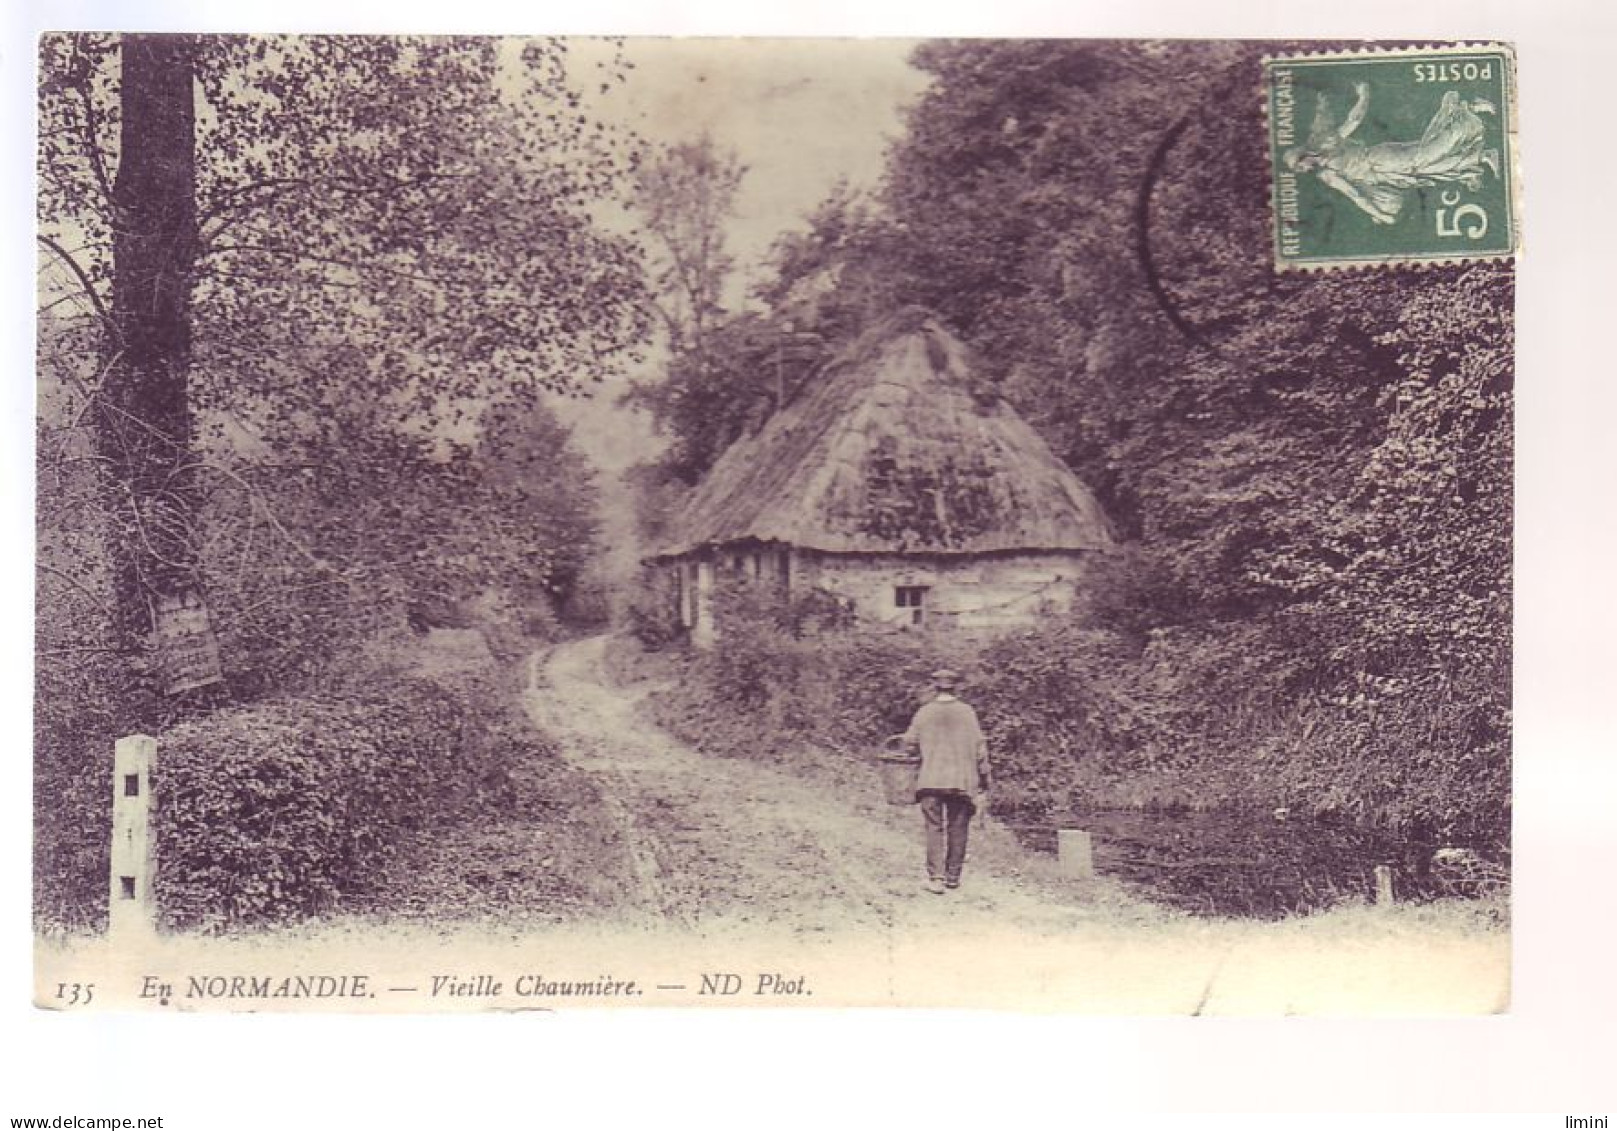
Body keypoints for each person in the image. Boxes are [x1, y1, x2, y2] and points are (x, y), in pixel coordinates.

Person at [1284, 82, 1500, 226]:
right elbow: (1355, 192)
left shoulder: (1328, 148)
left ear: (1303, 156)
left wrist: (1364, 95)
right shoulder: (1325, 174)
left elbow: (1353, 121)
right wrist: (1377, 212)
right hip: (1383, 173)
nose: (1304, 171)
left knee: (1428, 155)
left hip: (1378, 159)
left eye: (1299, 167)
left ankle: (1467, 109)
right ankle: (1480, 156)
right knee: (1428, 165)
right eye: (1300, 171)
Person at [900, 668, 990, 894]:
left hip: (930, 778)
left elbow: (909, 743)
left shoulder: (924, 712)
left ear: (934, 687)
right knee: (958, 828)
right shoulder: (967, 713)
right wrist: (984, 777)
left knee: (934, 828)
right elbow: (981, 749)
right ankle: (953, 877)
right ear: (956, 687)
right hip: (961, 781)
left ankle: (936, 878)